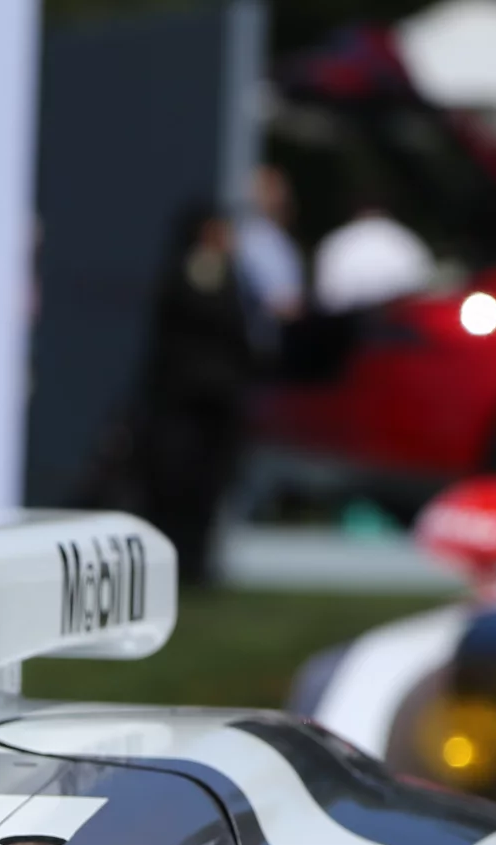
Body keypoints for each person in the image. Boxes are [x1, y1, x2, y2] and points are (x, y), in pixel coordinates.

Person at [103, 205, 257, 583]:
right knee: (172, 485)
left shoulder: (232, 277)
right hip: (180, 405)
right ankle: (168, 564)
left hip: (218, 407)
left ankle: (196, 565)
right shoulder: (185, 275)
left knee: (208, 488)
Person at [314, 202, 436, 313]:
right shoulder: (404, 237)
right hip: (401, 318)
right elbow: (424, 285)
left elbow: (327, 296)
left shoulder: (336, 242)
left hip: (348, 324)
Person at [233, 164, 304, 351]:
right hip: (264, 341)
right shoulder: (254, 238)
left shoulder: (279, 238)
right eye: (273, 189)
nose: (282, 196)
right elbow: (276, 299)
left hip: (283, 338)